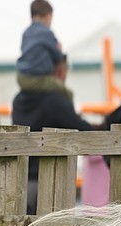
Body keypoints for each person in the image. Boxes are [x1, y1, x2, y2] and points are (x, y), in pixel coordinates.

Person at [11, 53, 96, 209]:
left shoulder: (19, 99)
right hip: (47, 178)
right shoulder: (54, 100)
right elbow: (81, 129)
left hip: (20, 177)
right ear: (58, 71)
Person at [16, 0, 69, 95]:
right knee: (66, 93)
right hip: (38, 78)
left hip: (21, 77)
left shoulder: (26, 33)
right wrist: (59, 49)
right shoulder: (47, 33)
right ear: (48, 16)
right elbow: (58, 56)